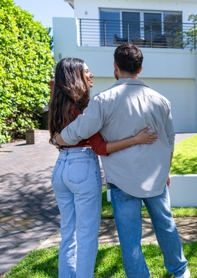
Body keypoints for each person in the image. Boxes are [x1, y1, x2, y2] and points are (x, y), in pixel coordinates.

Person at [55, 44, 190, 278]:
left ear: (116, 67)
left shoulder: (103, 100)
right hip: (156, 179)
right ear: (140, 68)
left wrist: (59, 138)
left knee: (130, 240)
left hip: (122, 181)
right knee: (166, 226)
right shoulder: (161, 101)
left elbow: (79, 130)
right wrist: (166, 170)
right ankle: (180, 271)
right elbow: (170, 140)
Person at [48, 57, 158, 278]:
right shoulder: (85, 107)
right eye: (87, 71)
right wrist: (136, 139)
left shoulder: (58, 105)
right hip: (82, 167)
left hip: (60, 169)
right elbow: (100, 147)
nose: (92, 75)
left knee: (69, 233)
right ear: (75, 76)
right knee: (87, 235)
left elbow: (55, 139)